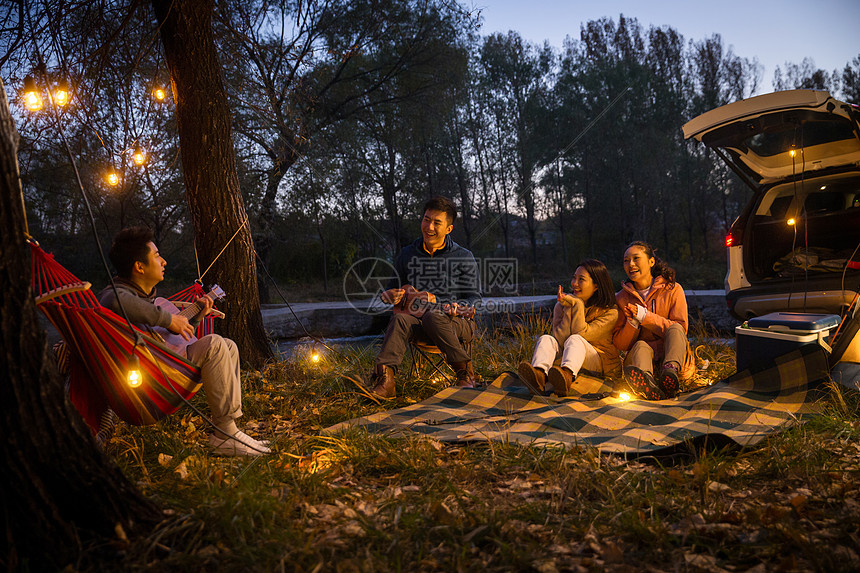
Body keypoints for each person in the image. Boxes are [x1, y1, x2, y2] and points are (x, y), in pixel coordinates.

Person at [98, 227, 270, 457]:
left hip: (166, 366)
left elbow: (171, 343)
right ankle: (224, 435)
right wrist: (169, 319)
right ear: (139, 266)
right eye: (157, 256)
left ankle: (229, 428)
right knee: (215, 344)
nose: (164, 261)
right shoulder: (114, 294)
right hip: (150, 381)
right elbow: (117, 301)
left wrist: (196, 317)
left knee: (228, 346)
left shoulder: (147, 301)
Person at [370, 196, 481, 398]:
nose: (429, 227)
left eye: (436, 222)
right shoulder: (407, 254)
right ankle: (386, 381)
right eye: (426, 219)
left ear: (448, 229)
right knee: (400, 318)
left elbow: (474, 300)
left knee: (434, 316)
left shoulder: (463, 256)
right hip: (418, 327)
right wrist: (388, 296)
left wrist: (444, 303)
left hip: (455, 325)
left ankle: (465, 373)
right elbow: (389, 291)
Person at [518, 259, 621, 396]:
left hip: (600, 362)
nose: (574, 283)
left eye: (581, 279)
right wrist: (566, 308)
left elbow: (581, 334)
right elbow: (560, 340)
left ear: (596, 286)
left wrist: (577, 304)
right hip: (572, 355)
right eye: (574, 278)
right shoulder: (566, 304)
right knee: (546, 339)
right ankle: (539, 375)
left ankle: (566, 376)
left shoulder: (610, 313)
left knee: (575, 339)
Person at [613, 241, 696, 400]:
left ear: (651, 262)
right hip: (641, 356)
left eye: (636, 258)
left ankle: (670, 372)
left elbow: (681, 330)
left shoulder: (673, 289)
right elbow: (621, 345)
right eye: (626, 260)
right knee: (641, 345)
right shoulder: (621, 298)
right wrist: (632, 323)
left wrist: (645, 317)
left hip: (671, 352)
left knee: (676, 328)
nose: (630, 264)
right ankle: (647, 382)